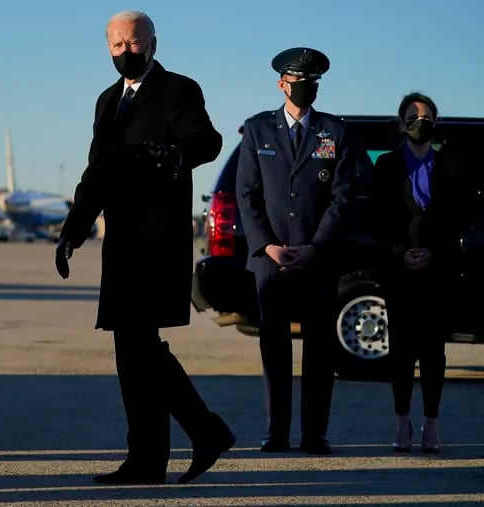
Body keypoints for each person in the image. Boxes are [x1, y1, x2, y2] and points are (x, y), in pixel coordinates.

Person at [54, 10, 234, 485]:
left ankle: (205, 431)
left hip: (158, 242)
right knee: (131, 354)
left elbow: (207, 140)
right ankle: (148, 460)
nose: (124, 53)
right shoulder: (107, 101)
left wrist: (179, 154)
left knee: (140, 349)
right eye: (116, 45)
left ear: (152, 43)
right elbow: (96, 175)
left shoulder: (178, 89)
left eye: (132, 44)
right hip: (122, 247)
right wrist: (73, 230)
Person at [235, 47, 356, 455]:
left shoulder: (334, 131)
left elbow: (342, 198)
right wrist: (266, 245)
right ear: (281, 83)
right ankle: (277, 433)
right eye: (298, 80)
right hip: (271, 261)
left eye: (312, 81)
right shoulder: (257, 130)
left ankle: (314, 434)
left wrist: (317, 247)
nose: (304, 87)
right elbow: (246, 194)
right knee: (275, 350)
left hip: (317, 260)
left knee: (320, 349)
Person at [369, 93, 466, 453]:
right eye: (413, 116)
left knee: (434, 351)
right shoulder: (388, 166)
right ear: (400, 124)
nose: (419, 121)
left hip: (437, 273)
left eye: (426, 116)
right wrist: (399, 252)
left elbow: (460, 216)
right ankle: (402, 423)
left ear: (436, 123)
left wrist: (434, 252)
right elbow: (377, 219)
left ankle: (432, 424)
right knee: (402, 351)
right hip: (399, 271)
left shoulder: (450, 166)